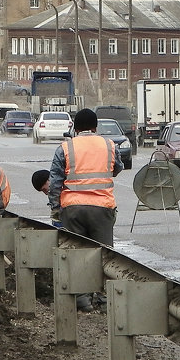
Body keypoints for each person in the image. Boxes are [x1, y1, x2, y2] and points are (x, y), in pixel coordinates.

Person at [47, 108, 123, 312]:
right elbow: (117, 168)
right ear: (95, 127)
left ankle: (82, 298)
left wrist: (55, 208)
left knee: (78, 253)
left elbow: (55, 182)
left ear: (75, 128)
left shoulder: (65, 148)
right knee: (104, 254)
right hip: (102, 208)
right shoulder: (109, 145)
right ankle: (105, 300)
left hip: (73, 208)